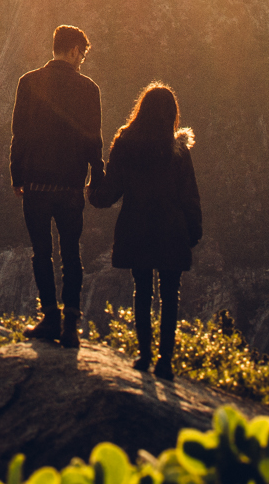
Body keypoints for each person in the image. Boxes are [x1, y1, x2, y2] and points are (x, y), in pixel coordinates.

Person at [88, 82, 202, 380]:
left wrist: (95, 179)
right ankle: (165, 361)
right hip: (170, 230)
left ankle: (144, 355)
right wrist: (193, 231)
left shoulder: (125, 143)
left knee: (142, 292)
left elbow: (108, 195)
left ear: (142, 110)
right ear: (171, 114)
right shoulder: (178, 150)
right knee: (169, 296)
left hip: (136, 228)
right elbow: (190, 194)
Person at [9, 23, 103, 347]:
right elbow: (94, 141)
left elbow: (19, 134)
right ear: (75, 50)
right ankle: (70, 325)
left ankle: (49, 317)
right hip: (70, 187)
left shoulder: (28, 82)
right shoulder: (89, 89)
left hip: (35, 185)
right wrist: (97, 177)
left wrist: (16, 176)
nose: (82, 60)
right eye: (82, 54)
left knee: (41, 253)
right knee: (72, 255)